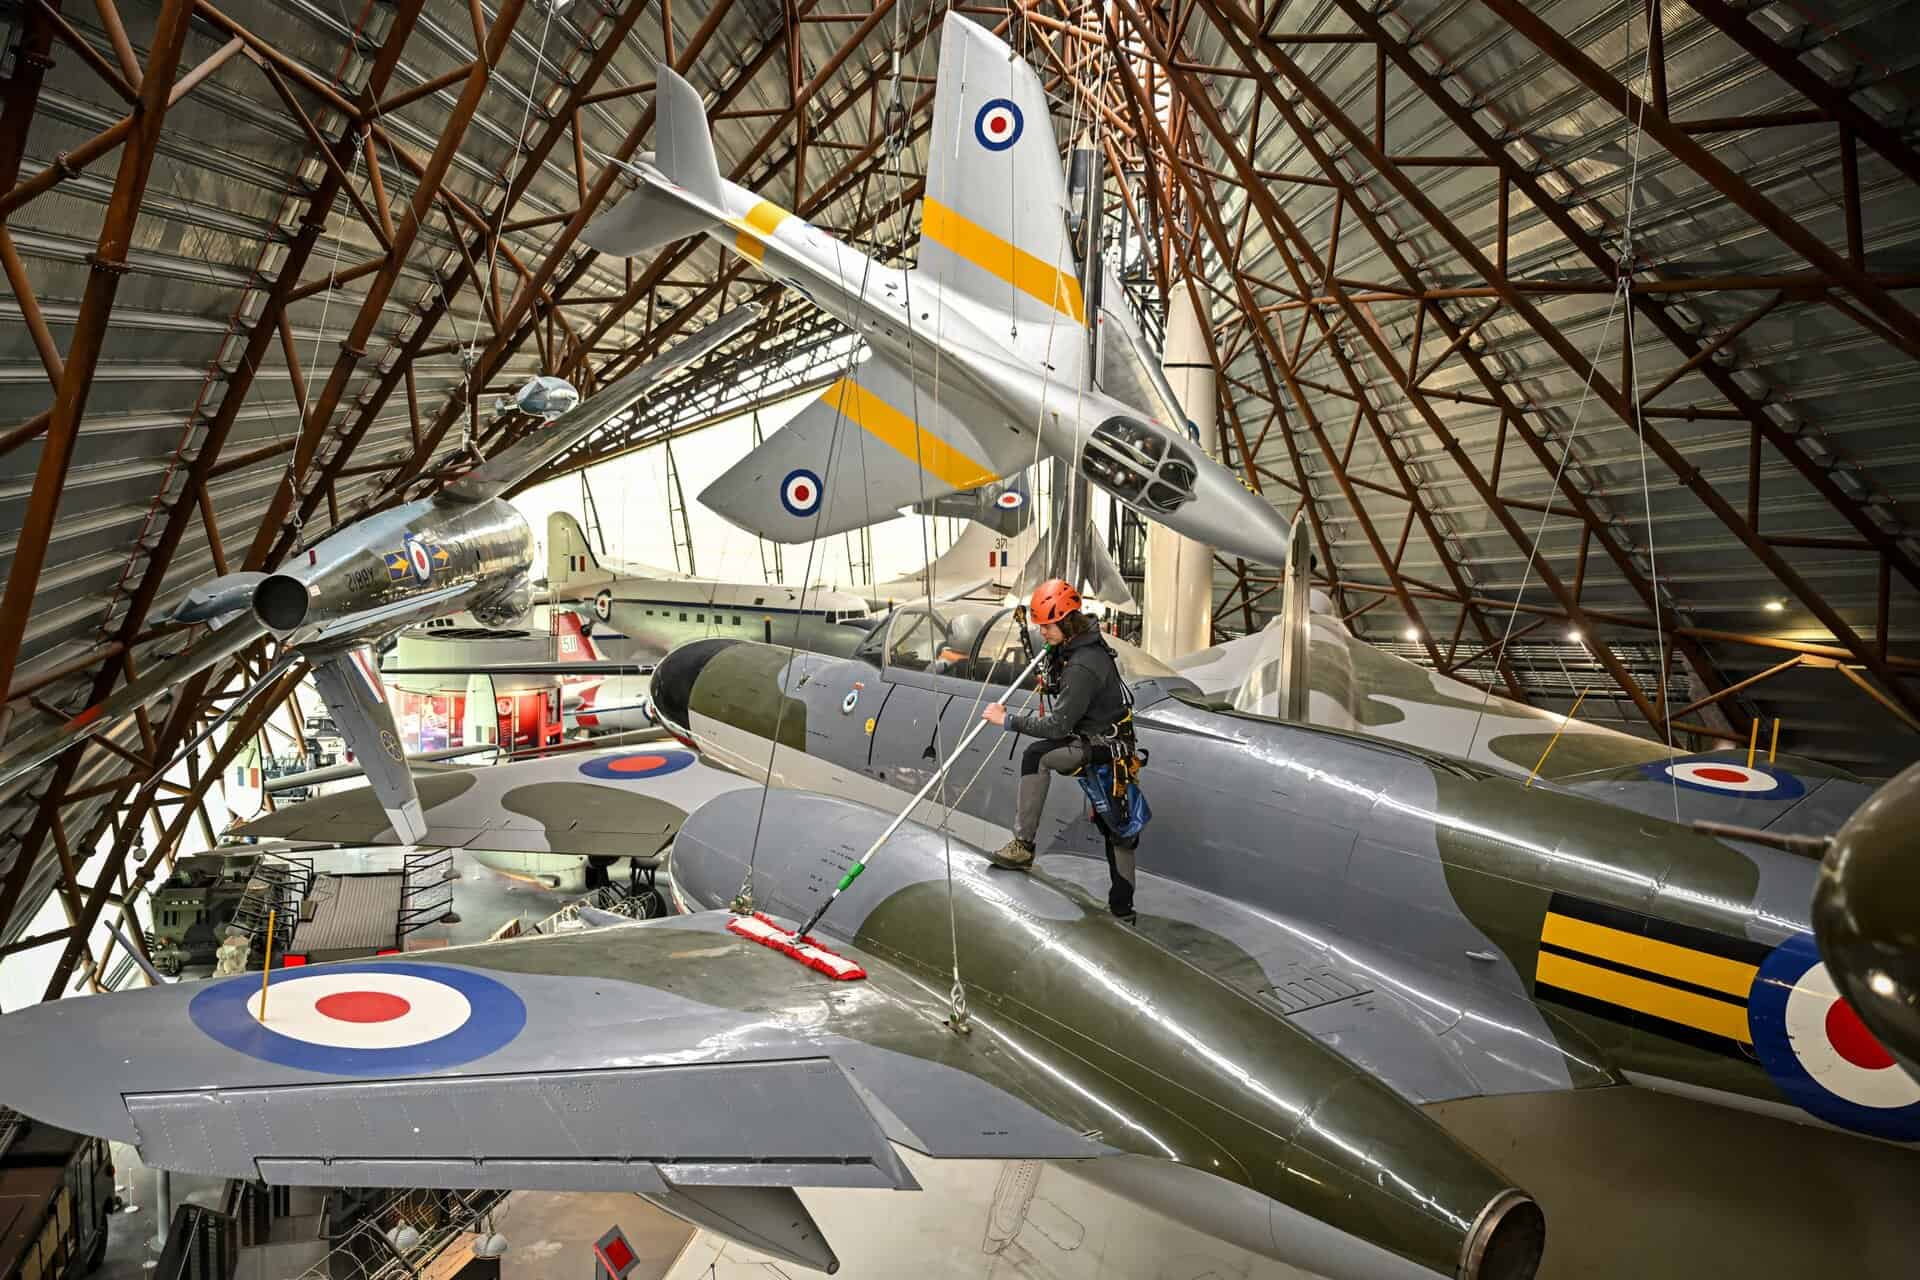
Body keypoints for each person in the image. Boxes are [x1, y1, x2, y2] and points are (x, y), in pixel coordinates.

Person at [981, 579, 1140, 921]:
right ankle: (1123, 908)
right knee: (1118, 829)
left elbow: (1057, 727)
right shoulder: (1076, 649)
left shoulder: (1083, 663)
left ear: (1066, 622)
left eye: (1047, 627)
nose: (1042, 633)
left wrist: (1007, 720)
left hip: (1103, 746)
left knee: (1117, 827)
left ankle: (1024, 847)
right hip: (1099, 738)